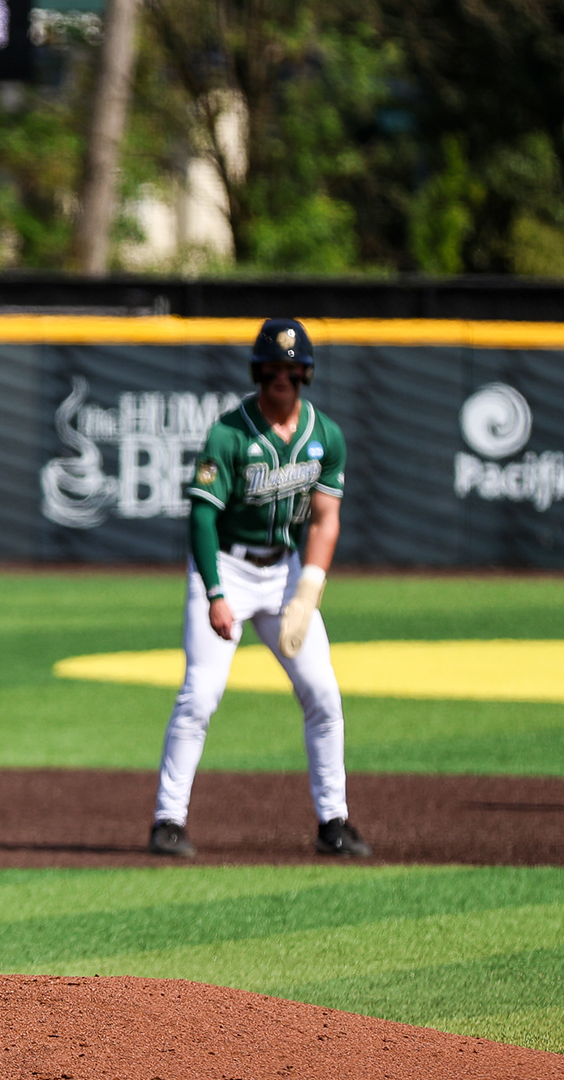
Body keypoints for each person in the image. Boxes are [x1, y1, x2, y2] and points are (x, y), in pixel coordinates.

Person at [148, 319, 371, 859]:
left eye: (293, 370)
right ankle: (167, 821)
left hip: (286, 572)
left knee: (323, 694)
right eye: (273, 368)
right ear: (258, 372)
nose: (283, 378)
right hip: (226, 566)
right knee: (201, 693)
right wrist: (216, 594)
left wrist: (309, 587)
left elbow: (324, 519)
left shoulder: (326, 436)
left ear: (306, 374)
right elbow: (202, 518)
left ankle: (333, 822)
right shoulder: (230, 434)